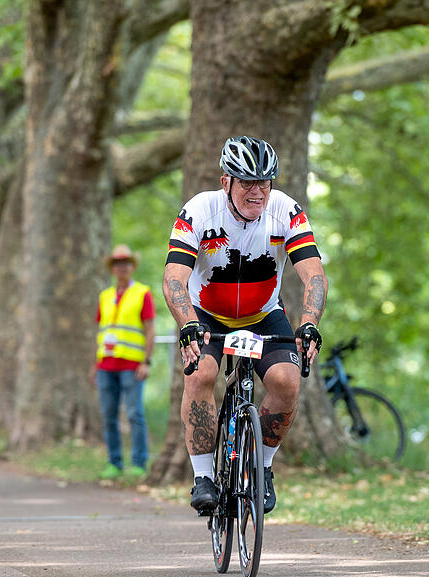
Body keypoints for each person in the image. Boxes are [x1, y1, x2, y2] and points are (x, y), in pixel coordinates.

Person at [162, 135, 327, 514]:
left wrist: (309, 323)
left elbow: (314, 274)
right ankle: (203, 475)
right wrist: (187, 323)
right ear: (226, 182)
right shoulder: (200, 210)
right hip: (206, 313)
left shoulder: (285, 210)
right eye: (248, 183)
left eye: (265, 183)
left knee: (287, 382)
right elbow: (174, 277)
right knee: (200, 375)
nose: (258, 192)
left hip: (263, 314)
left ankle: (263, 467)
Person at [91, 244, 155, 479]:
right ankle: (114, 462)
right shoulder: (105, 296)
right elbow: (100, 330)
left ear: (132, 266)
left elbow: (150, 330)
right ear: (112, 268)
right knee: (109, 416)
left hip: (132, 365)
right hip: (105, 366)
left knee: (134, 414)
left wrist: (147, 361)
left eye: (126, 263)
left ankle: (139, 462)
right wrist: (93, 365)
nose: (122, 267)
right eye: (118, 263)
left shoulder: (142, 293)